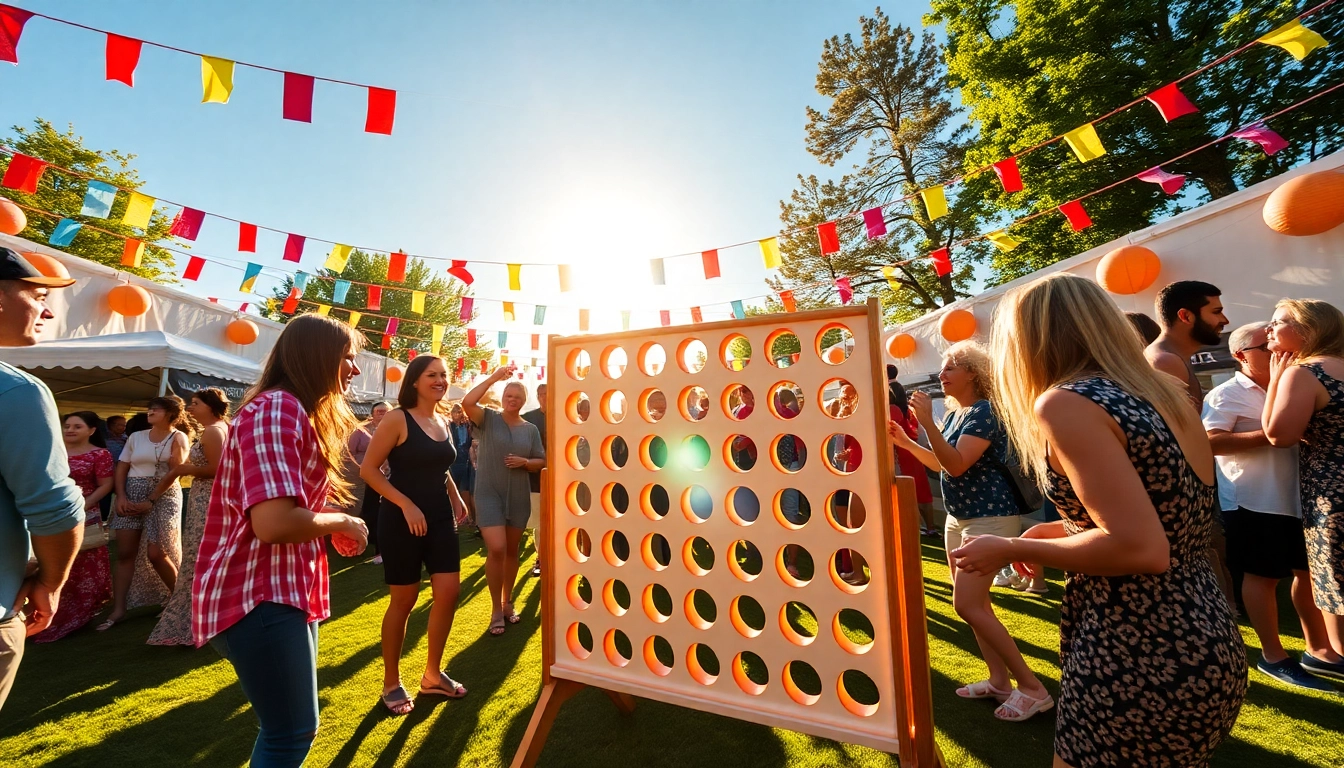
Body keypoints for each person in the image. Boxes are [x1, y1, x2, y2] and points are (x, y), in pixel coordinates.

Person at [956, 273, 1246, 766]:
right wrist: (1062, 529)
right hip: (1203, 630)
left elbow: (1141, 549)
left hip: (1140, 646)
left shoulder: (1068, 402)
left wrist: (1011, 548)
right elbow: (1170, 512)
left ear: (1026, 341)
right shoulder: (1160, 390)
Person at [192, 313, 369, 767]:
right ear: (317, 356)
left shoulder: (292, 411)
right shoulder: (277, 408)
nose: (354, 369)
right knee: (289, 733)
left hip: (281, 593)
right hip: (258, 595)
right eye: (347, 358)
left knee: (290, 729)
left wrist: (325, 527)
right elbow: (272, 524)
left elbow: (284, 514)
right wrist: (342, 524)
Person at [887, 340, 1050, 720]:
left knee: (967, 604)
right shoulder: (960, 414)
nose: (940, 376)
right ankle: (998, 681)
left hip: (988, 517)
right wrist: (908, 441)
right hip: (960, 518)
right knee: (974, 608)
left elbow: (957, 465)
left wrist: (926, 423)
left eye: (949, 369)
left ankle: (1033, 687)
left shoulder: (985, 412)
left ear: (972, 374)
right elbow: (942, 464)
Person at [1204, 322, 1337, 690]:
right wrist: (1277, 433)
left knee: (1308, 575)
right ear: (1240, 356)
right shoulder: (1226, 393)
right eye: (1267, 346)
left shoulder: (1300, 380)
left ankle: (1320, 649)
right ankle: (1273, 656)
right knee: (1263, 578)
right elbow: (1210, 442)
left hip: (1302, 498)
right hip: (1254, 500)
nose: (1279, 351)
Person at [0, 246, 83, 710]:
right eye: (36, 294)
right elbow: (53, 509)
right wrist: (50, 582)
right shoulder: (15, 391)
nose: (47, 309)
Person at [361, 356, 468, 715]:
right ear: (415, 381)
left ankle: (432, 675)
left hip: (439, 518)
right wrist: (406, 505)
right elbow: (369, 470)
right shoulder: (396, 418)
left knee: (449, 593)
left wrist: (455, 498)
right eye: (431, 375)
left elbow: (439, 467)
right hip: (400, 519)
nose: (440, 380)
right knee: (404, 601)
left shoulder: (442, 419)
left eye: (443, 375)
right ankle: (391, 682)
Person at [1263, 298, 1344, 682]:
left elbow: (1278, 436)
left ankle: (1335, 657)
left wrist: (1277, 381)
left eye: (1278, 322)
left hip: (1333, 494)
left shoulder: (1305, 373)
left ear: (1308, 329)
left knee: (1335, 576)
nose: (1270, 330)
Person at [1145, 280, 1236, 609]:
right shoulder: (1164, 363)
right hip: (1178, 511)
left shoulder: (1174, 359)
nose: (1224, 320)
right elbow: (1170, 443)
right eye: (1216, 311)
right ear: (1185, 315)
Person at [463, 365, 545, 636]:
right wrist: (496, 376)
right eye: (509, 395)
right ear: (503, 397)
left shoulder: (530, 429)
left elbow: (541, 461)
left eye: (518, 397)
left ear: (523, 402)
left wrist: (525, 462)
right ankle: (495, 609)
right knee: (497, 548)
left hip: (519, 494)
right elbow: (467, 402)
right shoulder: (488, 419)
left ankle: (507, 603)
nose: (513, 400)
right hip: (488, 493)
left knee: (511, 551)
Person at [98, 396, 190, 631]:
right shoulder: (136, 437)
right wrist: (120, 496)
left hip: (163, 495)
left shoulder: (178, 437)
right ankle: (119, 609)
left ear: (169, 413)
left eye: (155, 409)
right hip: (131, 492)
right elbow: (122, 467)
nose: (149, 412)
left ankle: (181, 602)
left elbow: (175, 472)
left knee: (157, 552)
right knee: (125, 552)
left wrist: (152, 499)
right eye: (149, 409)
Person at [147, 389, 230, 647]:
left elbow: (218, 469)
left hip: (209, 500)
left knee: (199, 555)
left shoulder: (214, 431)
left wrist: (185, 469)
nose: (190, 408)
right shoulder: (219, 428)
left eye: (195, 403)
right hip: (207, 498)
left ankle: (199, 620)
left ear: (211, 406)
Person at [32, 412, 113, 643]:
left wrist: (82, 506)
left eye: (77, 426)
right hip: (50, 512)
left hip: (85, 513)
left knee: (83, 565)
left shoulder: (100, 454)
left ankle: (78, 614)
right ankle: (46, 614)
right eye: (67, 425)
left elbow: (106, 485)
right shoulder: (52, 450)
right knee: (49, 563)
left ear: (92, 430)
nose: (70, 430)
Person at [888, 367, 937, 536]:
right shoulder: (910, 413)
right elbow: (921, 434)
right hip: (915, 453)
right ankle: (930, 527)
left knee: (905, 492)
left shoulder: (891, 412)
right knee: (922, 491)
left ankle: (913, 528)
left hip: (900, 454)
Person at [356, 402, 392, 565]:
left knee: (384, 513)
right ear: (372, 413)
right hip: (372, 478)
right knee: (371, 513)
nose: (382, 414)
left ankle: (382, 550)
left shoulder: (395, 428)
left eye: (385, 411)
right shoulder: (363, 429)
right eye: (379, 411)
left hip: (391, 478)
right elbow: (349, 451)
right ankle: (362, 543)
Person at [521, 383, 547, 578]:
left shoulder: (566, 416)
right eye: (542, 394)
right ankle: (541, 558)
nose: (545, 397)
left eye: (548, 393)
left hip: (564, 479)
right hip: (536, 479)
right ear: (538, 396)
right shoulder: (529, 419)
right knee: (539, 522)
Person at [448, 402, 477, 530]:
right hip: (453, 461)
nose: (457, 414)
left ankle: (468, 516)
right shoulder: (450, 425)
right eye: (454, 412)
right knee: (452, 489)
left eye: (459, 412)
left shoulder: (467, 425)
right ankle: (456, 516)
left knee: (466, 490)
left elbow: (470, 441)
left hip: (466, 460)